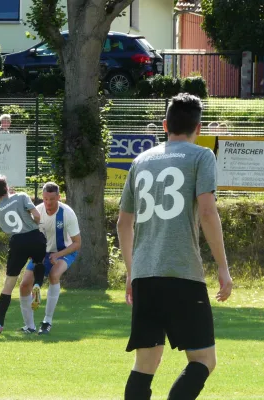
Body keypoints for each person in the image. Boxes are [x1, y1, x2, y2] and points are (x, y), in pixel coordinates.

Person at [117, 93, 233, 400]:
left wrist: (131, 272)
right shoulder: (200, 156)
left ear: (165, 125)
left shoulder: (140, 161)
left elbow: (123, 223)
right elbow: (207, 212)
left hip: (144, 274)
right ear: (199, 127)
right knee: (204, 360)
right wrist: (223, 267)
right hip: (181, 272)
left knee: (145, 363)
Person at [0, 175, 46, 334]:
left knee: (9, 284)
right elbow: (37, 216)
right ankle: (38, 284)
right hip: (34, 236)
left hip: (17, 242)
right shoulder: (21, 196)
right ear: (7, 187)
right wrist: (34, 225)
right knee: (39, 263)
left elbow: (6, 229)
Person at [19, 182, 81, 334]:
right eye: (45, 199)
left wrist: (58, 255)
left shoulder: (67, 213)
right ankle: (30, 326)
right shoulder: (38, 212)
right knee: (24, 285)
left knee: (54, 275)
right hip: (42, 253)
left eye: (52, 199)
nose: (48, 203)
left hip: (64, 252)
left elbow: (77, 243)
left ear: (59, 197)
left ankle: (47, 321)